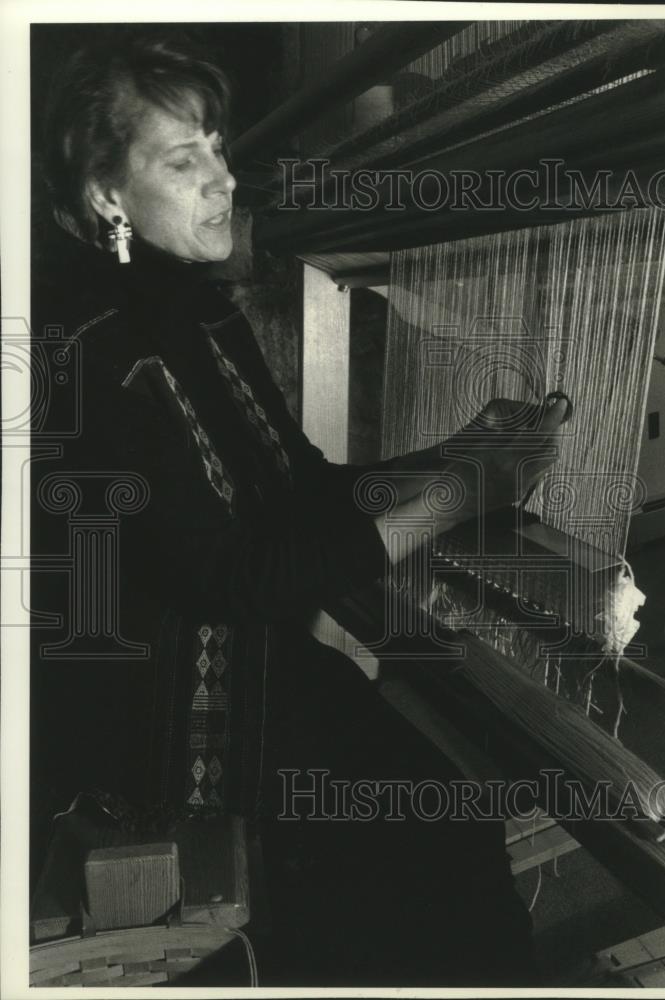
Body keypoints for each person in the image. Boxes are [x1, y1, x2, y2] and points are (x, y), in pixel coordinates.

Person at [31, 32, 568, 986]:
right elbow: (231, 576)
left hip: (251, 672)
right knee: (426, 832)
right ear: (107, 195)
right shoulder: (94, 350)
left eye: (221, 151)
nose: (223, 182)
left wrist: (464, 451)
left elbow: (302, 485)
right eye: (183, 159)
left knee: (433, 816)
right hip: (167, 729)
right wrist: (449, 498)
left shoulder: (200, 312)